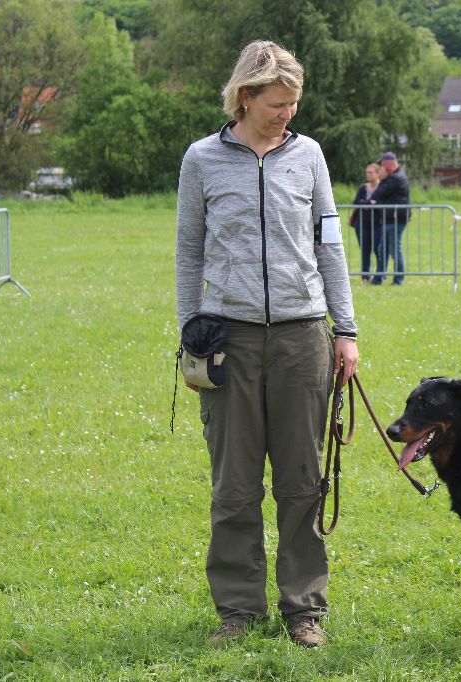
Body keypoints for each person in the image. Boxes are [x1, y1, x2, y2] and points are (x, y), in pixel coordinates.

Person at [175, 40, 358, 649]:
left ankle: (303, 609)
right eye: (278, 103)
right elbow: (189, 252)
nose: (288, 114)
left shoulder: (309, 156)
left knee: (303, 480)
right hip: (228, 338)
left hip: (304, 337)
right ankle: (239, 610)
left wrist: (346, 330)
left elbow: (329, 246)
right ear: (245, 96)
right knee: (234, 483)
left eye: (294, 103)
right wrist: (188, 331)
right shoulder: (201, 159)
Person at [369, 151, 411, 285]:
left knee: (393, 249)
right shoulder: (397, 176)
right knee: (384, 249)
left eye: (382, 164)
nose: (381, 166)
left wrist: (382, 178)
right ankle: (378, 278)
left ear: (388, 163)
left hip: (395, 219)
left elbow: (378, 193)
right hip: (391, 218)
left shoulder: (395, 178)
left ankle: (398, 279)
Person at [349, 163, 381, 283]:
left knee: (378, 249)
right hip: (362, 223)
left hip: (378, 223)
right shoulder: (363, 188)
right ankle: (365, 277)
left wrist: (366, 203)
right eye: (367, 172)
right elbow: (357, 202)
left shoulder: (382, 187)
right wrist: (369, 203)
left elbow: (380, 203)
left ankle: (380, 275)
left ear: (377, 173)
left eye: (371, 172)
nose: (368, 175)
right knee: (365, 250)